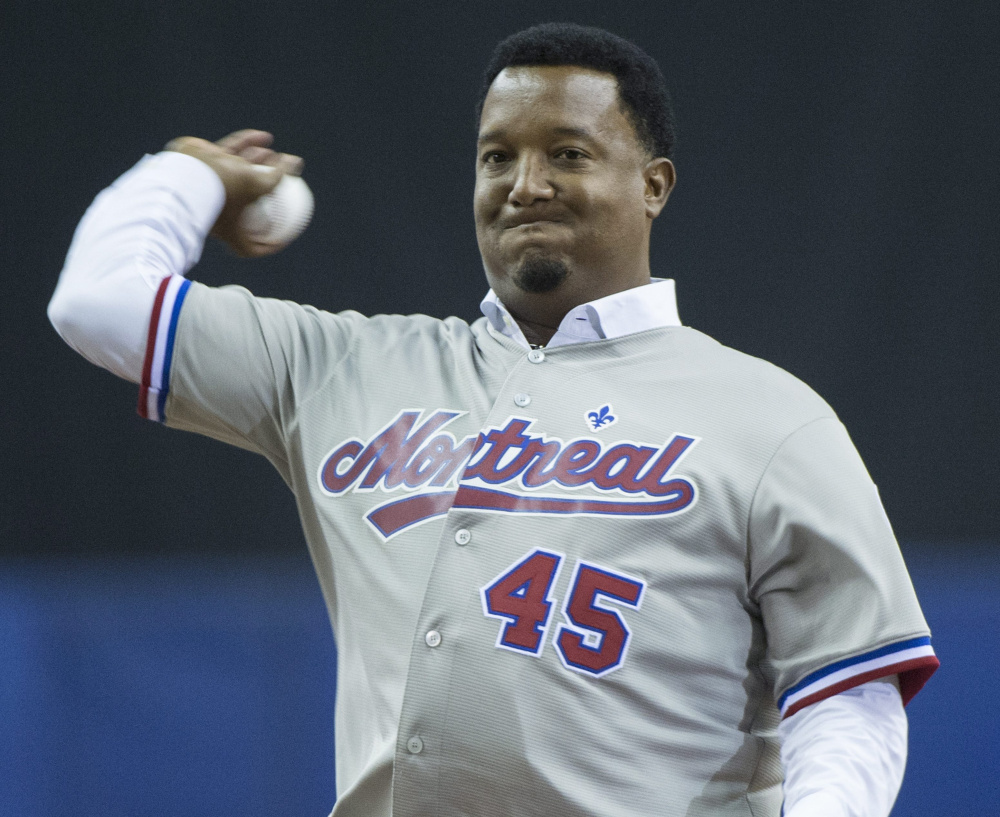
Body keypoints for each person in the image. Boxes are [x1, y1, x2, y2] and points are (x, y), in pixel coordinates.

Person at [49, 22, 938, 817]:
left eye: (568, 153)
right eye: (496, 156)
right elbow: (98, 304)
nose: (525, 184)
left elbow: (846, 691)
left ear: (654, 184)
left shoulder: (773, 417)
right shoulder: (341, 367)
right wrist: (193, 173)